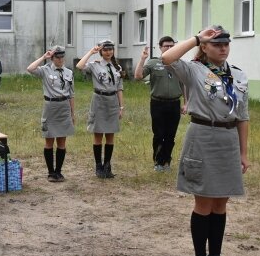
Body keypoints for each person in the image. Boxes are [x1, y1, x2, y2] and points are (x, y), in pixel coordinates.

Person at [161, 25, 250, 256]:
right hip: (202, 137)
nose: (223, 48)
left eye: (226, 44)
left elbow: (243, 116)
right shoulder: (193, 70)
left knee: (221, 205)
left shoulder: (239, 75)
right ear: (205, 47)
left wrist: (244, 153)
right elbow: (167, 58)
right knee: (204, 204)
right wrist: (197, 38)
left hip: (228, 140)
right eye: (216, 44)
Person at [135, 36, 185, 171]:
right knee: (159, 134)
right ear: (160, 47)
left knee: (171, 135)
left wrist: (186, 103)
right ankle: (158, 161)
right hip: (158, 103)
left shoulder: (179, 64)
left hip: (174, 103)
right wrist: (142, 59)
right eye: (166, 46)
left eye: (171, 46)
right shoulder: (153, 63)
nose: (169, 48)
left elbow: (184, 85)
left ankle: (166, 161)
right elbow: (138, 76)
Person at [77, 40, 124, 179]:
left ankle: (107, 166)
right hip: (99, 100)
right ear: (101, 52)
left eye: (110, 49)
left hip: (112, 102)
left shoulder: (117, 67)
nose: (108, 52)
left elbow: (119, 88)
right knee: (98, 135)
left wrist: (121, 106)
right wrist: (91, 52)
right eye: (105, 50)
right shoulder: (94, 65)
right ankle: (98, 166)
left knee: (110, 135)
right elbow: (79, 66)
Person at [27, 46, 75, 183]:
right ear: (52, 58)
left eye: (62, 57)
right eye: (57, 57)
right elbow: (30, 69)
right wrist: (43, 57)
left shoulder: (69, 72)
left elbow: (71, 94)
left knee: (61, 141)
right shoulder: (45, 70)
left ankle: (59, 172)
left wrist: (73, 113)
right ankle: (50, 172)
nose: (60, 60)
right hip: (50, 107)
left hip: (64, 107)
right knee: (49, 140)